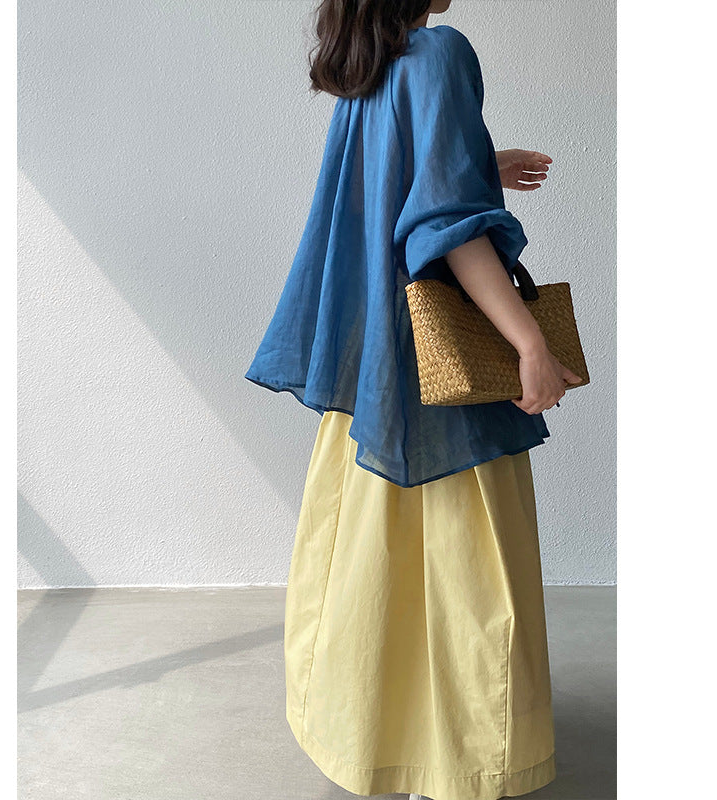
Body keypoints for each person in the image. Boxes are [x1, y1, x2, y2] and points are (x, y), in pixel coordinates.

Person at [245, 2, 583, 798]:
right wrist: (529, 344)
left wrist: (476, 159)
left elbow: (387, 181)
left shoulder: (367, 64)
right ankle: (461, 760)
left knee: (373, 554)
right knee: (467, 565)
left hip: (377, 367)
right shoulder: (438, 52)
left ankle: (369, 735)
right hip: (438, 373)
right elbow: (448, 230)